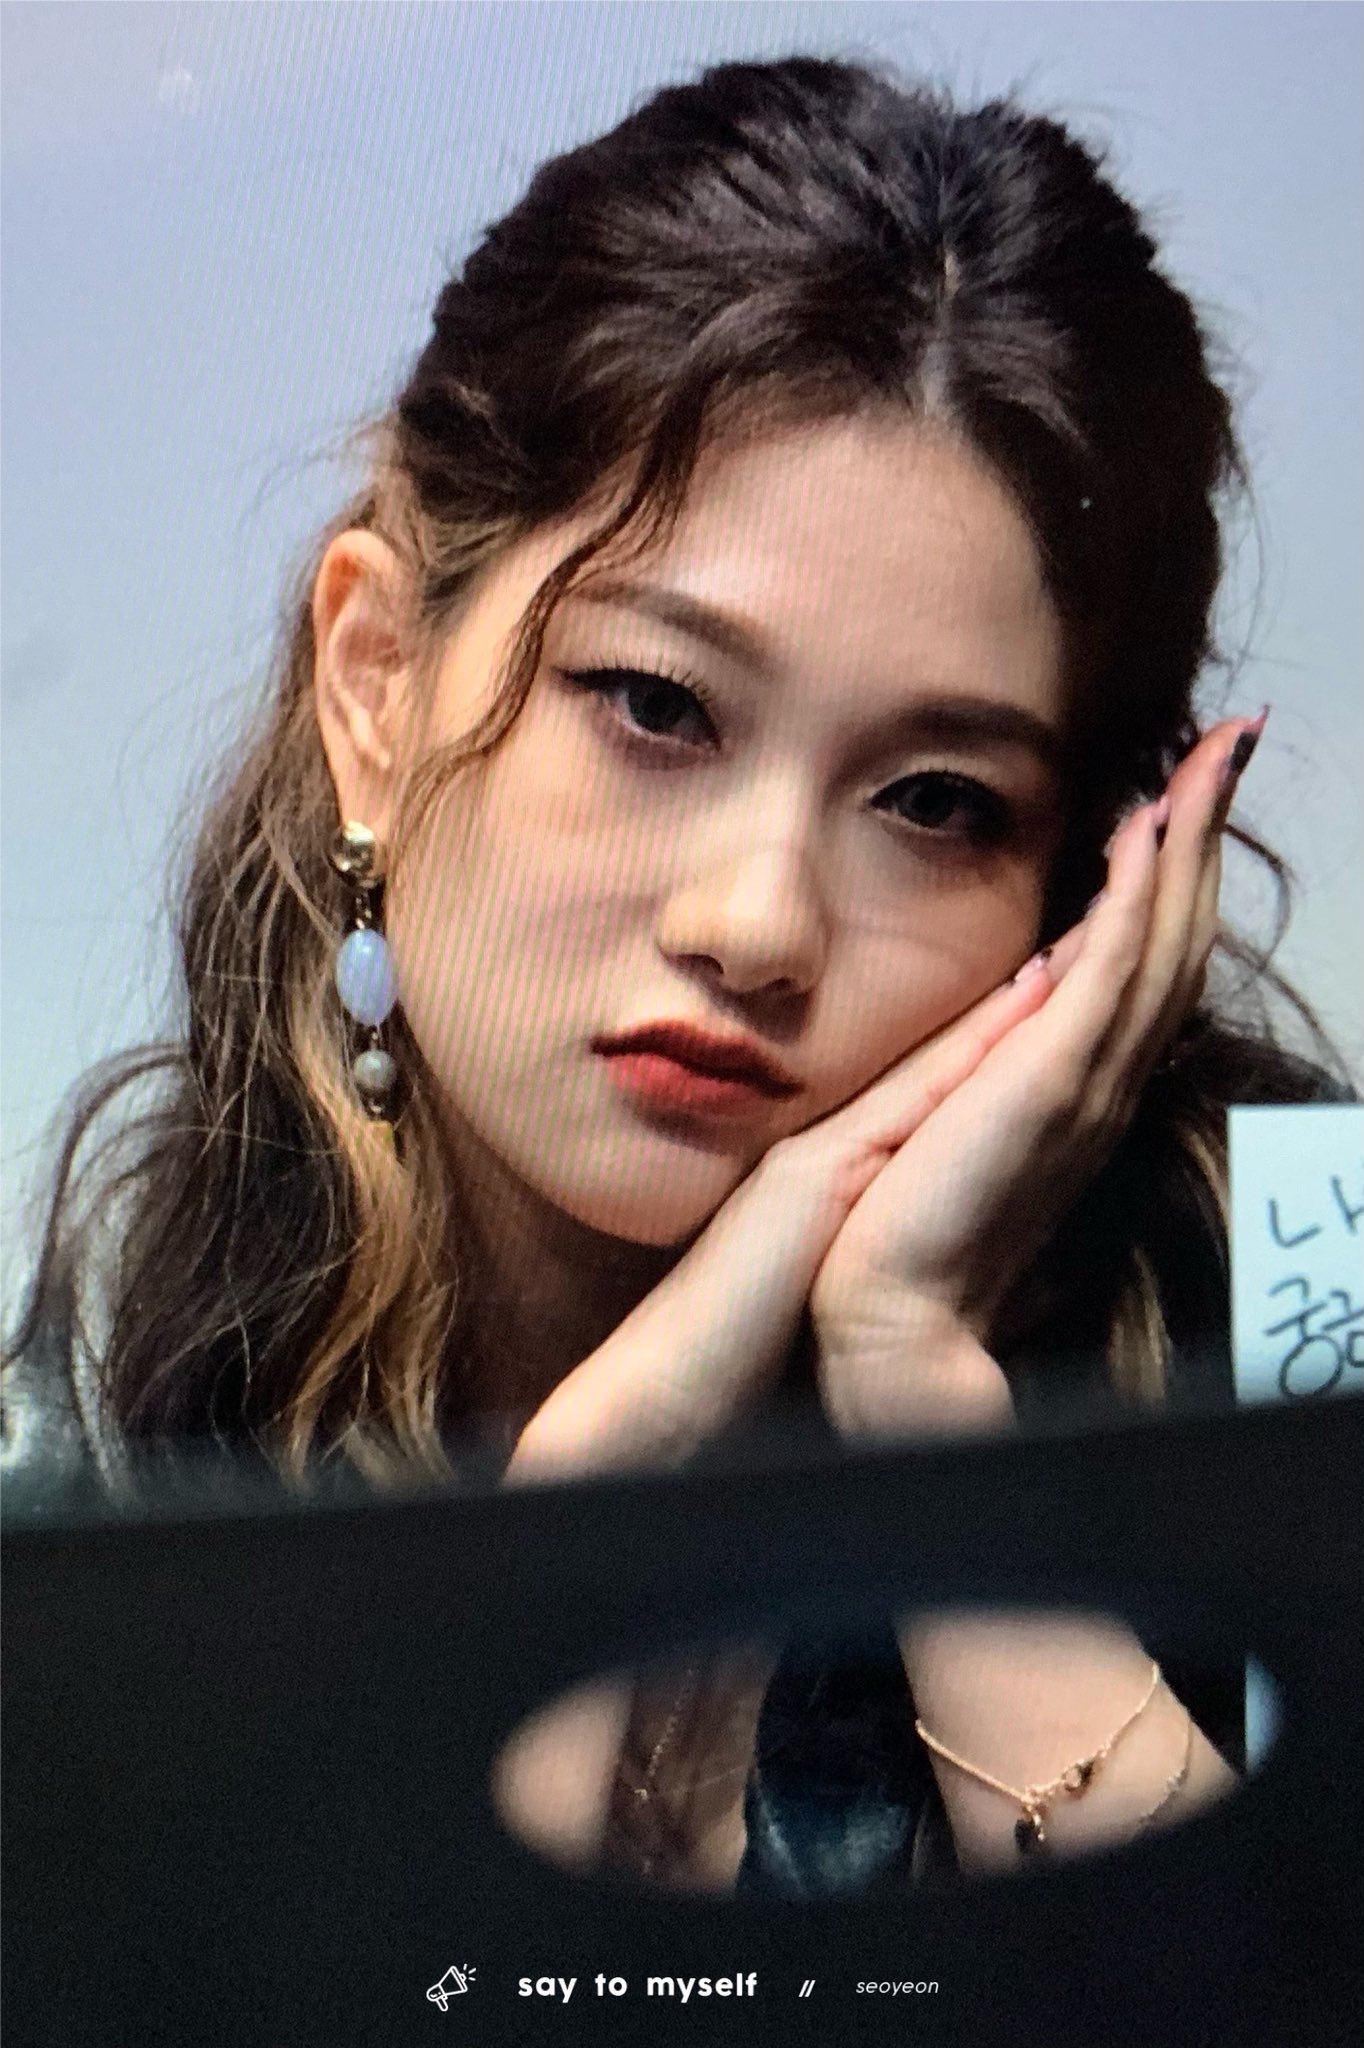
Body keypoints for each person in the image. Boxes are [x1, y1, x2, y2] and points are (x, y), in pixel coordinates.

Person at [1, 54, 1354, 1900]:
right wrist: (585, 1537)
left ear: (1086, 880)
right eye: (656, 705)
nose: (760, 923)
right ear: (377, 681)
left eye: (937, 800)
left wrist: (924, 1398)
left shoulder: (1308, 1295)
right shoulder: (92, 1467)